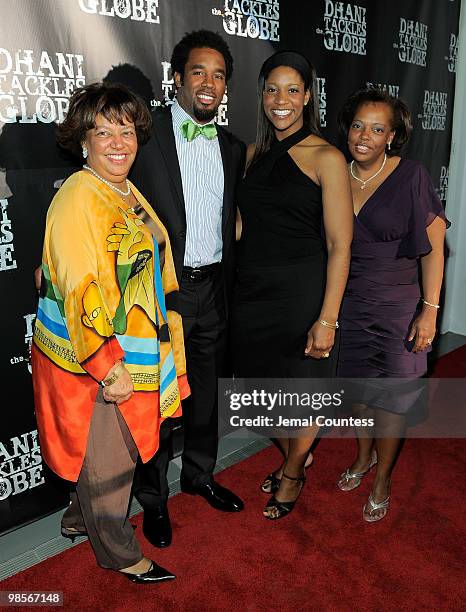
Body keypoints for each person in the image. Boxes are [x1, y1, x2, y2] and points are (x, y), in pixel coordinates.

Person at [31, 82, 189, 582]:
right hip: (97, 361)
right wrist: (107, 365)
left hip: (136, 349)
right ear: (83, 138)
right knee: (110, 465)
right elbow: (79, 287)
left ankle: (81, 518)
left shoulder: (122, 188)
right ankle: (121, 555)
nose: (118, 141)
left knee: (103, 455)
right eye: (103, 131)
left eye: (126, 129)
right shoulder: (80, 195)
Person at [130, 30, 245, 548]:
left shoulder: (233, 147)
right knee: (158, 403)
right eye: (198, 71)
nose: (209, 83)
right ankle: (153, 502)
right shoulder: (144, 140)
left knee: (205, 400)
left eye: (219, 75)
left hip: (213, 291)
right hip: (161, 296)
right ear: (176, 78)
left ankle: (199, 475)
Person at [231, 51, 353, 519]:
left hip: (302, 294)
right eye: (271, 89)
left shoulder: (327, 156)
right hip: (253, 292)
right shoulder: (250, 156)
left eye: (292, 90)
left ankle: (294, 471)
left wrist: (327, 318)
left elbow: (341, 244)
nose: (280, 100)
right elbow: (244, 225)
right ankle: (297, 454)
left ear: (307, 97)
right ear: (261, 96)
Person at [336, 88, 448, 522]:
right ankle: (363, 458)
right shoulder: (334, 172)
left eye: (377, 128)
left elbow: (435, 249)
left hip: (400, 307)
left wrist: (430, 309)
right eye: (359, 125)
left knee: (392, 401)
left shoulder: (411, 175)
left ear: (393, 136)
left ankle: (383, 477)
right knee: (359, 397)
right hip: (349, 305)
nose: (364, 135)